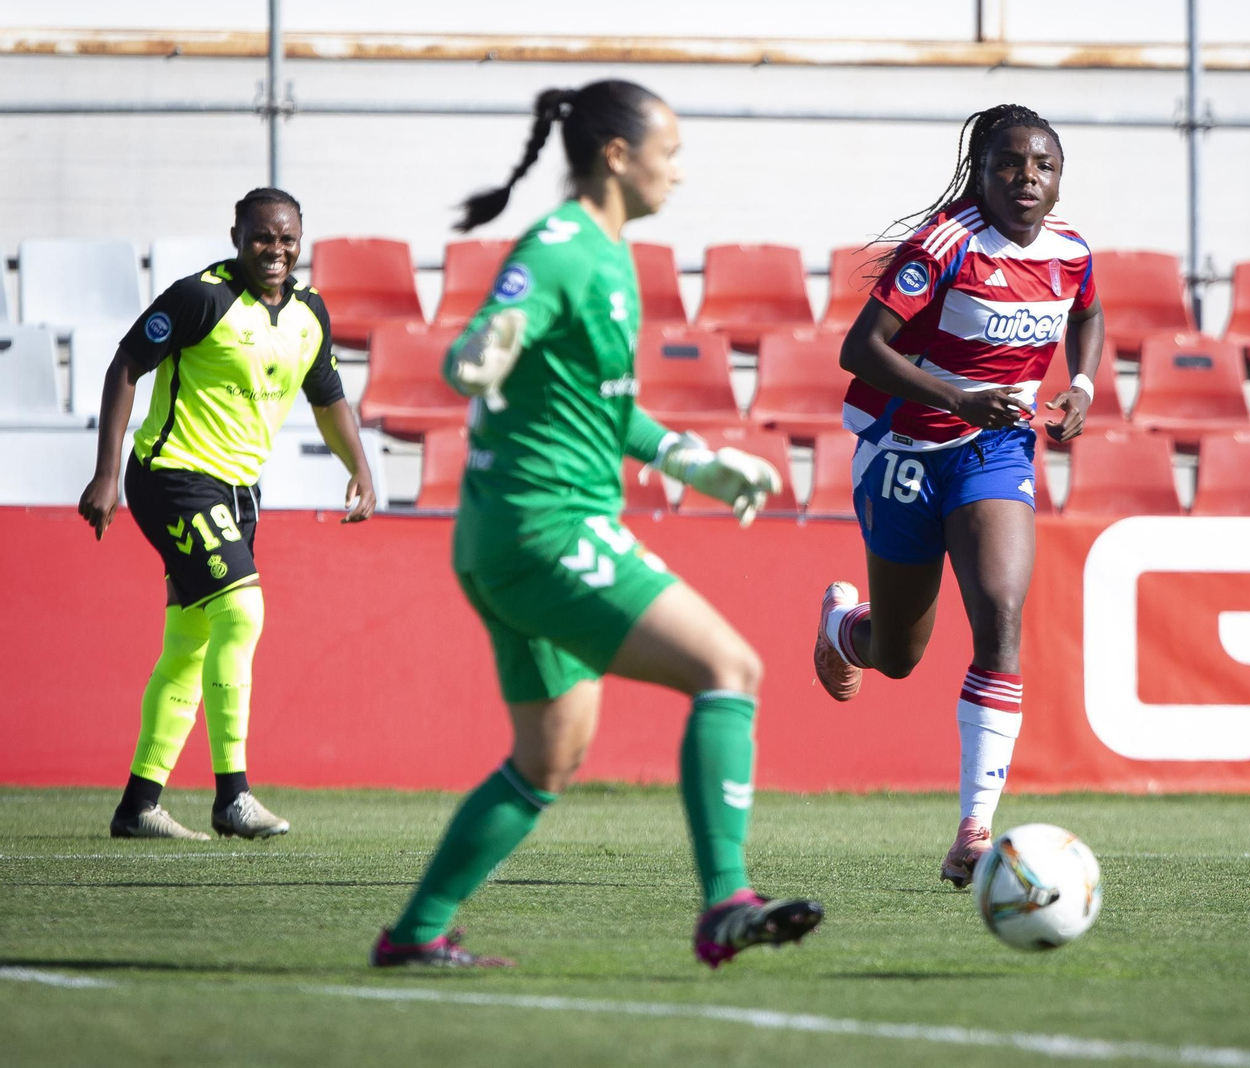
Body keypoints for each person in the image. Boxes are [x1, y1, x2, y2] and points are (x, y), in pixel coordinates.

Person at [371, 80, 823, 969]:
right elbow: (498, 331)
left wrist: (695, 460)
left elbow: (600, 407)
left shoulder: (609, 254)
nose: (679, 173)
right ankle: (726, 899)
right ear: (618, 155)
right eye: (672, 151)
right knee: (730, 669)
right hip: (548, 529)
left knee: (548, 760)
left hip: (500, 538)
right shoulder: (566, 247)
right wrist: (482, 347)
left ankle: (416, 935)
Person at [812, 104, 1106, 887]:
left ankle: (975, 830)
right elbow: (859, 350)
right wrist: (957, 392)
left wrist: (1078, 385)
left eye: (1043, 166)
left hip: (995, 449)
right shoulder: (943, 248)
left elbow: (1089, 312)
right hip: (901, 452)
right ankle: (846, 629)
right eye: (1011, 164)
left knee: (1001, 614)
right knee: (900, 656)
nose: (1027, 179)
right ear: (980, 171)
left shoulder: (1071, 250)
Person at [78, 187, 377, 842]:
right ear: (238, 236)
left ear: (302, 242)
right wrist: (106, 475)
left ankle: (138, 805)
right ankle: (232, 796)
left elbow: (328, 398)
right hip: (172, 476)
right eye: (262, 238)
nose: (275, 251)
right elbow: (127, 365)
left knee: (190, 645)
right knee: (243, 610)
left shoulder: (308, 314)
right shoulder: (201, 298)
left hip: (240, 495)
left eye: (287, 239)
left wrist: (359, 466)